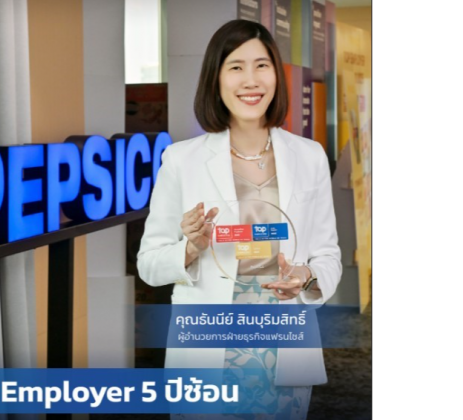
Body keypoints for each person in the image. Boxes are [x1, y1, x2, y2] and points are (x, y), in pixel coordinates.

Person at [137, 20, 342, 419]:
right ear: (216, 80)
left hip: (283, 343)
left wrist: (305, 277)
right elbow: (149, 264)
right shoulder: (182, 159)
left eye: (261, 66)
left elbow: (327, 255)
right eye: (236, 67)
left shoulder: (309, 156)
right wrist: (190, 248)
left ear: (276, 75)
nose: (251, 80)